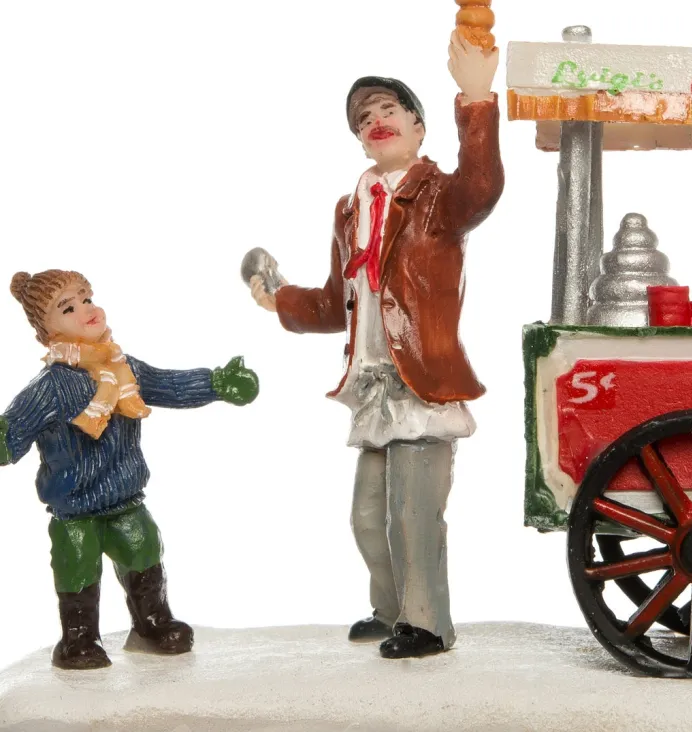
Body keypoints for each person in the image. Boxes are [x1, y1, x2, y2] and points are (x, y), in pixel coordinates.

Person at [249, 32, 503, 658]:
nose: (376, 121)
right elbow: (335, 303)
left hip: (420, 382)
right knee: (369, 516)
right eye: (364, 119)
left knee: (414, 516)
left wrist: (476, 96)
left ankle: (428, 624)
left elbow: (482, 186)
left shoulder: (437, 197)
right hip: (373, 386)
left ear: (418, 126)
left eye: (389, 109)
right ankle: (392, 611)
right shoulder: (351, 210)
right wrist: (277, 299)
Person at [0, 269, 259, 669]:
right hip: (75, 510)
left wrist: (216, 383)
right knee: (76, 567)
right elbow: (14, 427)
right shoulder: (49, 387)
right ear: (46, 333)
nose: (85, 309)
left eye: (86, 298)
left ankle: (151, 624)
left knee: (144, 550)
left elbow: (169, 385)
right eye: (67, 308)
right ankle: (79, 638)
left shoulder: (123, 369)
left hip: (125, 499)